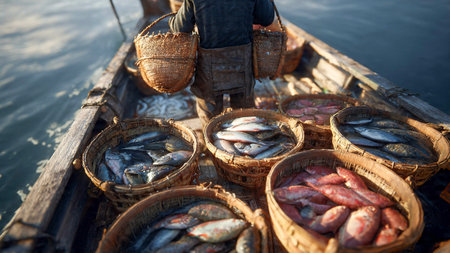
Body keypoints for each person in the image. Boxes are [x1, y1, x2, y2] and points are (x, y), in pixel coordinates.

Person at [169, 0, 275, 126]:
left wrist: (173, 19)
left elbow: (180, 28)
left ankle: (210, 142)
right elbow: (266, 19)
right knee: (245, 117)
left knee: (210, 119)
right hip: (242, 62)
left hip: (209, 66)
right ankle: (244, 137)